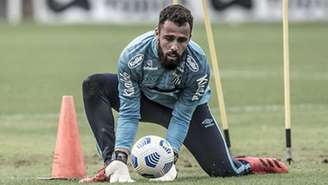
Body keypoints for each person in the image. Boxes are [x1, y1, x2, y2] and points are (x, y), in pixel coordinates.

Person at [80, 4, 288, 183]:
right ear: (157, 33)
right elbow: (129, 112)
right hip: (148, 101)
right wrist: (121, 156)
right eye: (168, 38)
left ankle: (251, 162)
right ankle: (111, 165)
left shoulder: (198, 65)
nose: (174, 46)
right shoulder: (133, 56)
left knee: (223, 170)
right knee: (94, 85)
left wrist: (171, 157)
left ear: (190, 38)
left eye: (181, 40)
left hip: (186, 110)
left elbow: (182, 115)